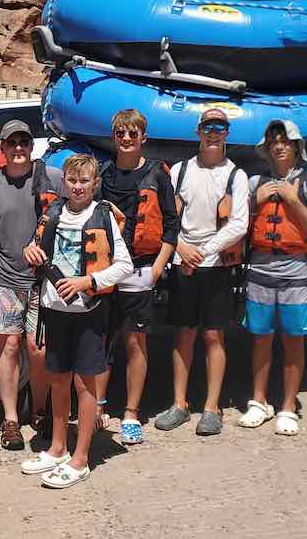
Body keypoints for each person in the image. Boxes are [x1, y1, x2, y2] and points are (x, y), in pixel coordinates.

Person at [21, 154, 133, 488]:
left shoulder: (103, 216)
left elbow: (124, 265)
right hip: (55, 311)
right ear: (64, 182)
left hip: (88, 314)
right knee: (57, 379)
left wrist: (88, 282)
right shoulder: (53, 212)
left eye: (85, 180)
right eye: (72, 180)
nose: (78, 186)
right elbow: (36, 248)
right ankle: (57, 448)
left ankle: (81, 457)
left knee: (85, 385)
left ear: (95, 183)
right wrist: (30, 251)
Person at [0, 119, 64, 450]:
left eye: (24, 141)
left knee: (39, 350)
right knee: (7, 348)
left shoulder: (51, 178)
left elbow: (73, 219)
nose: (19, 148)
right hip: (5, 283)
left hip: (42, 283)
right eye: (12, 143)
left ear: (31, 145)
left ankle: (39, 410)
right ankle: (9, 420)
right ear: (2, 148)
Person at [156, 108, 249, 436]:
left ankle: (212, 408)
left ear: (226, 133)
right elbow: (165, 215)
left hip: (216, 266)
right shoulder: (179, 171)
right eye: (208, 127)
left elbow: (239, 222)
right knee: (183, 334)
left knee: (214, 335)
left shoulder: (235, 175)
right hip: (183, 263)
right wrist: (181, 248)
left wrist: (204, 251)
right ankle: (179, 404)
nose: (213, 132)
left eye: (219, 127)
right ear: (198, 131)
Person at [236, 119, 307, 437]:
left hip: (295, 273)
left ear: (296, 146)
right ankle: (259, 402)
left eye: (285, 141)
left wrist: (292, 200)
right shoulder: (253, 184)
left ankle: (288, 407)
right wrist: (253, 203)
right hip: (259, 271)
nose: (279, 145)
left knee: (293, 340)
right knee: (260, 338)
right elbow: (238, 228)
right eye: (273, 141)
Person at [93, 109, 179, 445]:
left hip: (140, 269)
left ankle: (131, 413)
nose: (126, 139)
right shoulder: (103, 174)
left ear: (143, 137)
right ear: (113, 137)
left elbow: (171, 225)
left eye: (132, 134)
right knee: (100, 341)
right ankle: (98, 407)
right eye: (120, 133)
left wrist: (158, 267)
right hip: (104, 270)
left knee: (134, 341)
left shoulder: (158, 175)